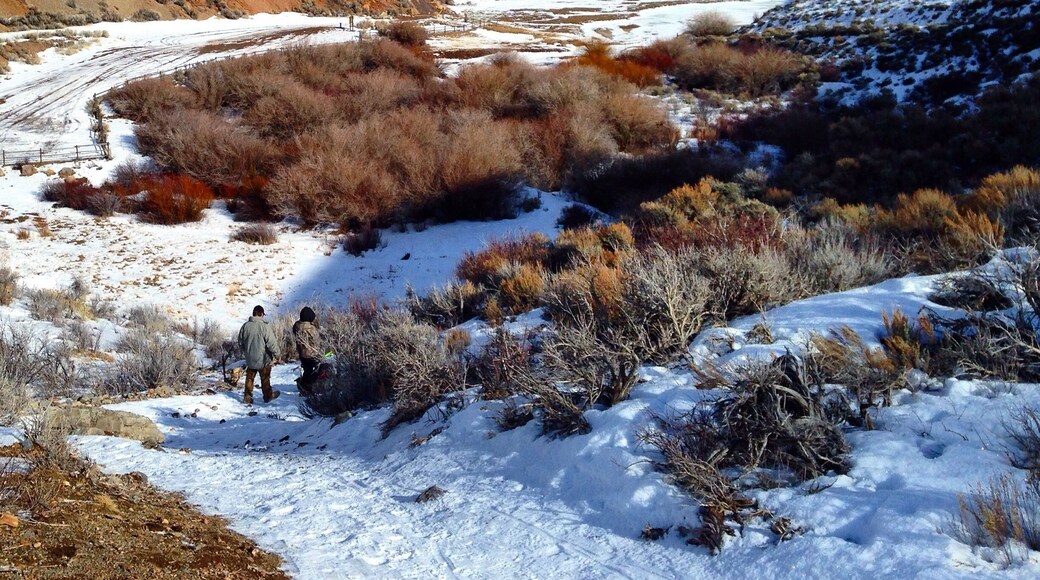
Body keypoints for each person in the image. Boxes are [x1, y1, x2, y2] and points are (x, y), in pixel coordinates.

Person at [237, 305, 280, 404]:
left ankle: (247, 397)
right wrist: (277, 354)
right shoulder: (264, 326)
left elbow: (240, 342)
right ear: (261, 314)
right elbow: (272, 343)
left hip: (250, 358)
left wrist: (247, 351)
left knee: (250, 377)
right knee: (265, 378)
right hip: (263, 358)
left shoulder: (245, 326)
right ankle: (268, 396)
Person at [292, 306, 321, 395]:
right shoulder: (311, 329)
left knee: (307, 370)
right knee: (317, 369)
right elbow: (317, 341)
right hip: (312, 353)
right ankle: (312, 386)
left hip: (302, 353)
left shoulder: (296, 326)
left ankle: (304, 386)